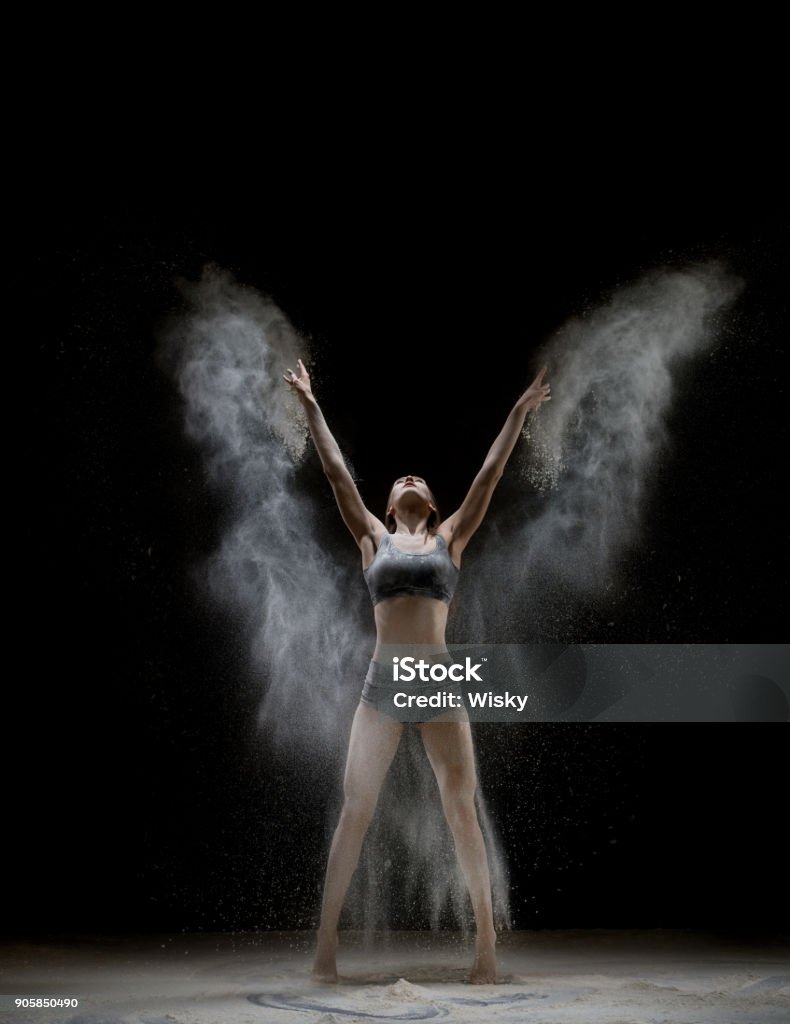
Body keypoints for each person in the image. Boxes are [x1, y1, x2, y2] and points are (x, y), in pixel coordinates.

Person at [284, 358, 551, 984]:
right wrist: (310, 404)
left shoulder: (450, 538)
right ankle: (325, 947)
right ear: (388, 503)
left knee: (461, 808)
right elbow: (334, 473)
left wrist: (517, 411)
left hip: (438, 682)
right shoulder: (372, 539)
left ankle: (485, 950)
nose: (409, 477)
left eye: (420, 478)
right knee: (357, 810)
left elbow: (490, 473)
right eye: (400, 477)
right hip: (381, 686)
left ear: (430, 505)